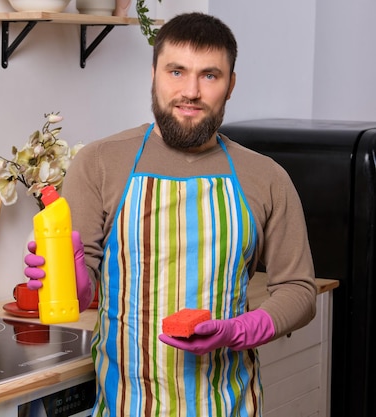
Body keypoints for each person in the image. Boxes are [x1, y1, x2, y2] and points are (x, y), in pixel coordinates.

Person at [25, 12, 317, 417]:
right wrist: (70, 282)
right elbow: (83, 289)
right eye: (176, 71)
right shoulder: (100, 162)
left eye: (209, 75)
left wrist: (240, 330)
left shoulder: (265, 176)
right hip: (125, 406)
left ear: (230, 85)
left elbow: (300, 290)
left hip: (229, 405)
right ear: (154, 74)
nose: (191, 91)